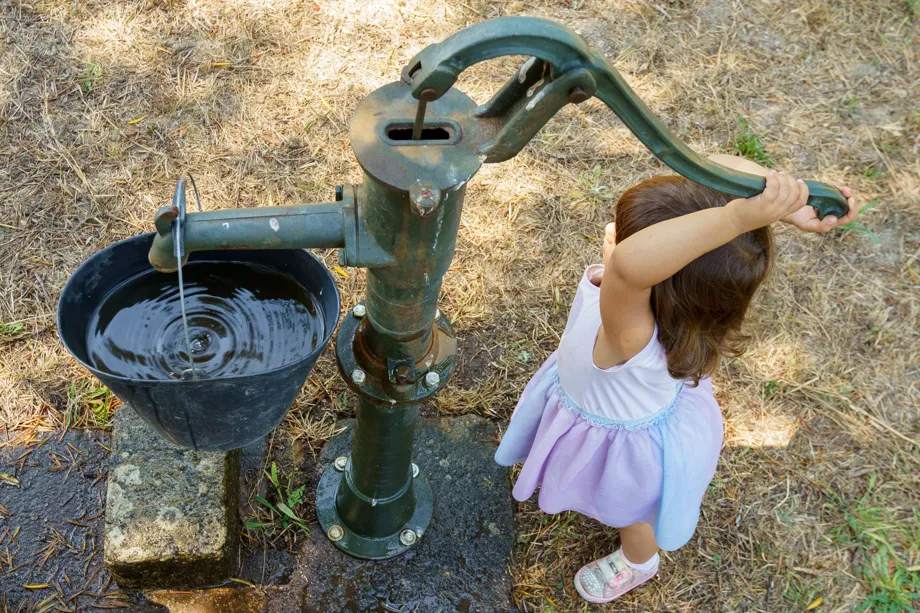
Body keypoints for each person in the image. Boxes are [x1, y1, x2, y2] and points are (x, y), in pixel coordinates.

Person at [494, 154, 860, 603]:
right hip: (642, 416)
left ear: (655, 277)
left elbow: (628, 263)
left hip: (627, 455)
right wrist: (787, 200)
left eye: (628, 237)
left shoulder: (628, 333)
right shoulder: (670, 316)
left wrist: (737, 216)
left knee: (634, 516)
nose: (615, 234)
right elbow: (701, 166)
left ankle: (638, 561)